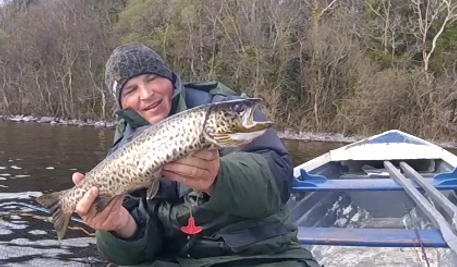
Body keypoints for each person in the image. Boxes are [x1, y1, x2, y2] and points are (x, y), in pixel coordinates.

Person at [71, 43, 319, 266]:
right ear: (122, 103)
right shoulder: (122, 150)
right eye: (131, 90)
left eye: (152, 78)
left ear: (170, 78)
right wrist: (119, 227)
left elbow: (276, 180)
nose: (146, 94)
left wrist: (220, 177)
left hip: (261, 256)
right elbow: (141, 249)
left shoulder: (224, 110)